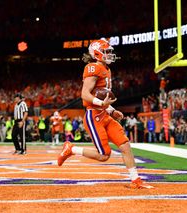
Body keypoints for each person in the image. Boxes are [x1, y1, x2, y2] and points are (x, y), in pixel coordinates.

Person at [57, 39, 153, 189]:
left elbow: (103, 97)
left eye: (109, 51)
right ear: (96, 53)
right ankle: (71, 149)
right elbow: (85, 94)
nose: (110, 54)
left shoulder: (106, 69)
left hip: (104, 115)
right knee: (104, 155)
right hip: (93, 117)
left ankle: (135, 180)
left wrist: (111, 110)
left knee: (125, 145)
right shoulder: (93, 67)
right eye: (106, 51)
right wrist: (103, 105)